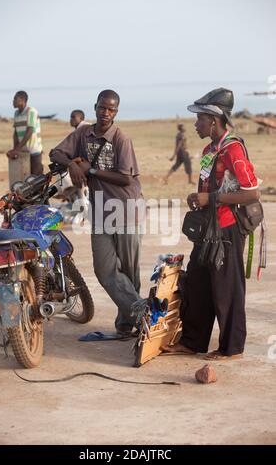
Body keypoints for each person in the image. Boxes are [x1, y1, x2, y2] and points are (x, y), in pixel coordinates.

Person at [161, 87, 259, 360]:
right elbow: (207, 185)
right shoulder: (209, 149)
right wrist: (198, 198)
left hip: (227, 230)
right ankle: (192, 342)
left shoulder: (233, 150)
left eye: (200, 119)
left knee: (227, 290)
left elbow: (252, 192)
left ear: (214, 121)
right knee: (198, 285)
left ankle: (231, 348)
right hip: (207, 231)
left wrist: (211, 198)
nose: (196, 124)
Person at [50, 90, 144, 338]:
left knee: (129, 273)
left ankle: (127, 326)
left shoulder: (121, 139)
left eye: (111, 109)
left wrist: (89, 170)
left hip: (126, 209)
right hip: (101, 210)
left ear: (116, 112)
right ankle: (144, 318)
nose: (105, 113)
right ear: (95, 107)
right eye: (102, 107)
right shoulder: (83, 133)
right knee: (105, 270)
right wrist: (72, 164)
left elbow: (125, 178)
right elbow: (55, 153)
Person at [7, 91, 43, 175]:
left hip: (34, 150)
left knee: (36, 177)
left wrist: (16, 150)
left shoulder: (31, 111)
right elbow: (16, 133)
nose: (13, 101)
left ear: (22, 100)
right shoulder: (16, 113)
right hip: (23, 151)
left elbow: (29, 132)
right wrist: (14, 149)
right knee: (25, 178)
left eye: (15, 99)